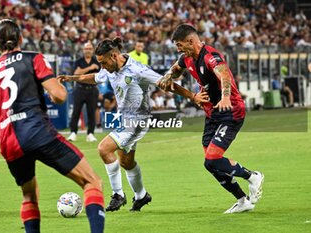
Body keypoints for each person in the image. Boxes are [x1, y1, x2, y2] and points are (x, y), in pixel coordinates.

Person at [0, 19, 105, 233]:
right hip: (38, 132)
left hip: (10, 143)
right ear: (21, 38)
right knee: (93, 182)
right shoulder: (33, 58)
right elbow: (59, 96)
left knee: (29, 196)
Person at [58, 37, 199, 212]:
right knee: (126, 162)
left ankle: (118, 195)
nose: (103, 67)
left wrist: (193, 96)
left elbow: (166, 84)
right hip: (124, 118)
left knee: (104, 149)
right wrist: (72, 78)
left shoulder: (137, 70)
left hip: (138, 120)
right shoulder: (109, 68)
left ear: (114, 55)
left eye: (104, 62)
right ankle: (141, 196)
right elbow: (95, 77)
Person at [159, 24, 264, 214]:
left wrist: (225, 96)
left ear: (191, 41)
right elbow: (175, 70)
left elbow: (223, 73)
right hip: (212, 114)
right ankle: (242, 201)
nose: (178, 49)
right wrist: (168, 77)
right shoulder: (186, 58)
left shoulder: (210, 55)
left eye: (179, 45)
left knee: (212, 158)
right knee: (211, 164)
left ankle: (253, 176)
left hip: (230, 110)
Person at [68, 41, 100, 142]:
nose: (88, 51)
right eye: (86, 49)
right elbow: (76, 74)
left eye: (90, 49)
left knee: (91, 112)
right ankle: (73, 132)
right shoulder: (79, 61)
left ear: (93, 50)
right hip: (80, 89)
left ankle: (90, 133)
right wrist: (90, 68)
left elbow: (97, 76)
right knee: (76, 111)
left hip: (92, 90)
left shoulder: (97, 61)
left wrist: (82, 72)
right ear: (83, 50)